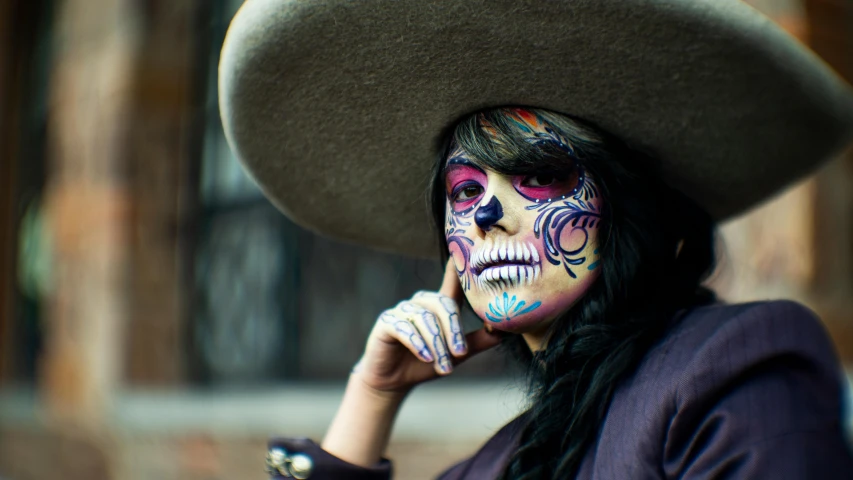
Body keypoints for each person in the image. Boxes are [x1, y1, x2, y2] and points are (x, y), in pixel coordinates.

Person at [218, 0, 853, 478]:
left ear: (622, 206)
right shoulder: (496, 464)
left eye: (542, 175)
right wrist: (374, 392)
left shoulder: (733, 370)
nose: (488, 211)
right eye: (464, 192)